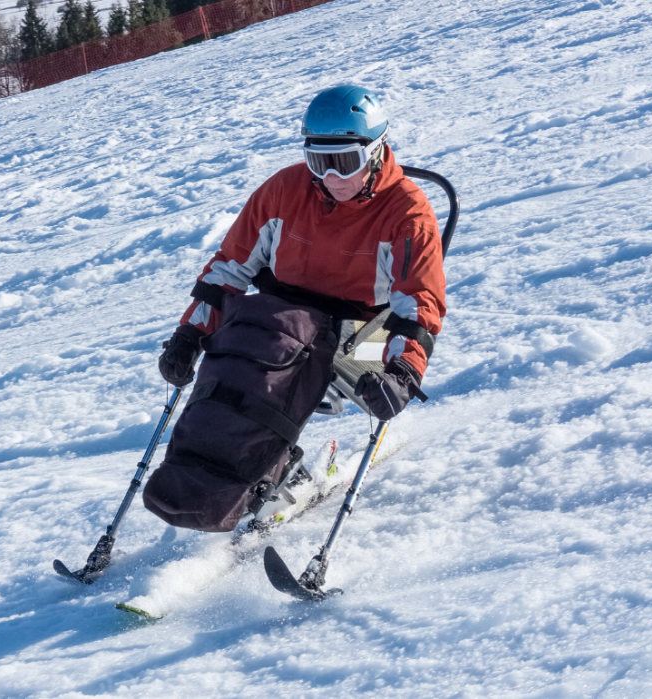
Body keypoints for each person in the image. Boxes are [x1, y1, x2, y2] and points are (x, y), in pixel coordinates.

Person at [143, 85, 446, 532]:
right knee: (235, 368)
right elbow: (228, 270)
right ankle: (216, 478)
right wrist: (190, 336)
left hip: (364, 340)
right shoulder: (284, 191)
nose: (332, 177)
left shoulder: (407, 216)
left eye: (345, 161)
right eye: (318, 162)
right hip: (280, 325)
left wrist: (402, 374)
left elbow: (417, 307)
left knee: (289, 366)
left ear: (376, 151)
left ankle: (265, 473)